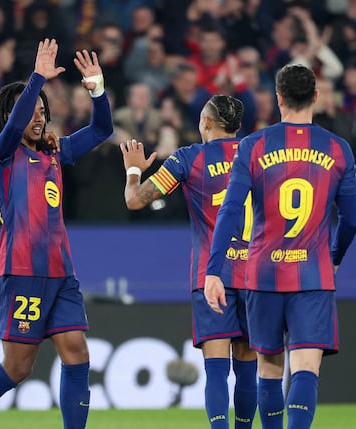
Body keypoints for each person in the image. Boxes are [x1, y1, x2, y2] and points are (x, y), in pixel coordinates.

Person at [0, 38, 113, 429]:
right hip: (22, 270)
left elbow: (101, 130)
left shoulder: (54, 152)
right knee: (16, 369)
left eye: (43, 110)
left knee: (77, 354)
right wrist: (35, 80)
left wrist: (97, 89)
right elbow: (12, 128)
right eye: (30, 108)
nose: (37, 115)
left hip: (61, 273)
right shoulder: (1, 152)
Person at [205, 64, 356, 429]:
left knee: (269, 368)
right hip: (312, 275)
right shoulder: (338, 150)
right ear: (316, 97)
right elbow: (350, 220)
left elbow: (230, 211)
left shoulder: (253, 145)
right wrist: (333, 257)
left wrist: (213, 269)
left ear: (278, 99)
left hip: (262, 275)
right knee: (306, 367)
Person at [120, 95, 258, 429]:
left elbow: (135, 201)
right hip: (257, 275)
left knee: (216, 368)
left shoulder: (189, 158)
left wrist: (134, 170)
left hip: (212, 276)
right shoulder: (258, 155)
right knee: (248, 367)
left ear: (207, 123)